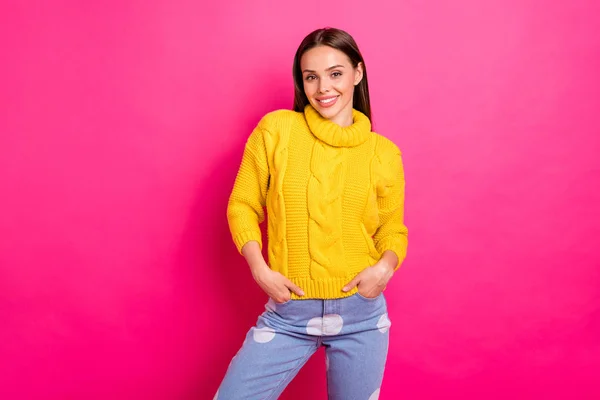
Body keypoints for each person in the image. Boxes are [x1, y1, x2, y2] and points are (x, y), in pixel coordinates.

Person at [215, 27, 408, 400]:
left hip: (362, 315)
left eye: (335, 73)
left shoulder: (384, 153)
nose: (323, 88)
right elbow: (242, 204)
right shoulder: (277, 131)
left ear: (357, 73)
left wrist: (384, 268)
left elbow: (391, 230)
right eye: (311, 77)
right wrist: (259, 268)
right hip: (289, 313)